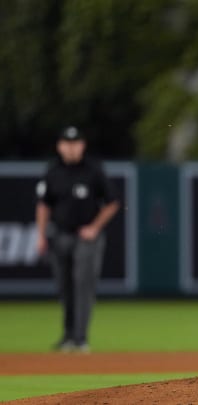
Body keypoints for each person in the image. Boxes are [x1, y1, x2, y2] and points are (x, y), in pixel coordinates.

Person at [35, 126, 120, 353]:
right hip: (60, 235)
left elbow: (112, 202)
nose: (71, 147)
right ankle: (68, 336)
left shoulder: (93, 170)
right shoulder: (53, 171)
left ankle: (80, 339)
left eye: (76, 143)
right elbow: (43, 205)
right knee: (65, 288)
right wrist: (41, 235)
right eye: (67, 143)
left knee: (83, 285)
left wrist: (94, 227)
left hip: (86, 238)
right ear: (60, 146)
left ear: (82, 145)